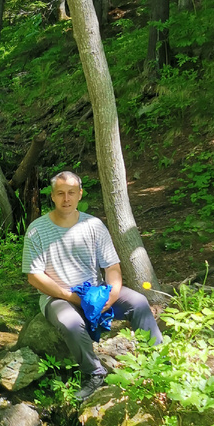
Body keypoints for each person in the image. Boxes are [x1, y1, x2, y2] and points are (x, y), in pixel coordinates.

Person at [22, 170, 162, 401]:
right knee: (70, 323)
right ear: (53, 197)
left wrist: (112, 295)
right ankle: (95, 373)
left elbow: (112, 267)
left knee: (138, 302)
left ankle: (158, 361)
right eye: (60, 193)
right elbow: (34, 277)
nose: (66, 199)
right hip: (57, 296)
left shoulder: (94, 225)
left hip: (95, 290)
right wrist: (71, 297)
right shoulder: (37, 229)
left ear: (80, 194)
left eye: (71, 193)